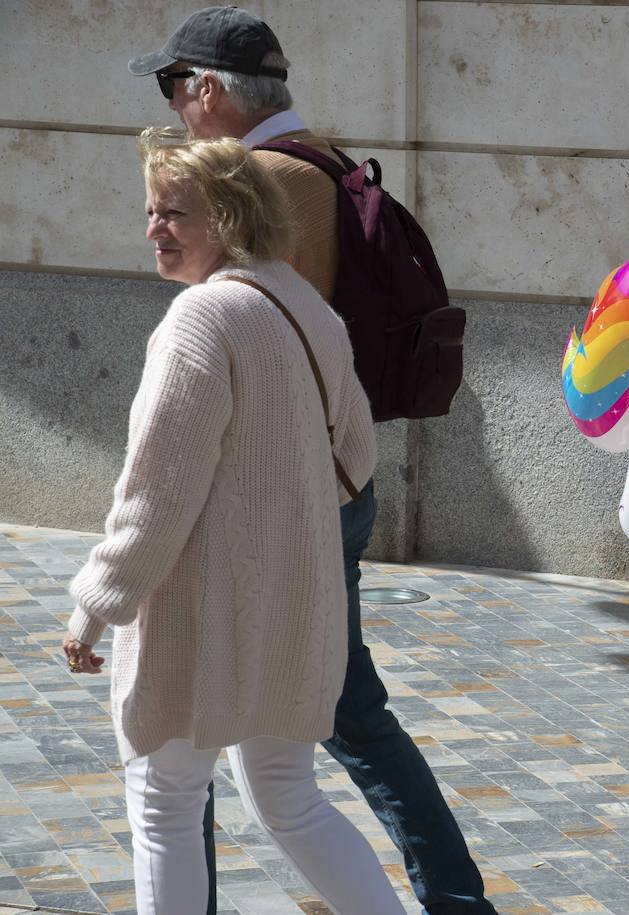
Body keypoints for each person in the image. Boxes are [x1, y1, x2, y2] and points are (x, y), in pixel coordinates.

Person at [128, 8, 494, 913]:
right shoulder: (329, 162)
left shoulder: (263, 182)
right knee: (309, 730)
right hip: (330, 476)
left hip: (278, 496)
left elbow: (228, 343)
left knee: (217, 731)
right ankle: (450, 895)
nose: (176, 112)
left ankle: (452, 898)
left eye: (175, 90)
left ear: (207, 91)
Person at [61, 129, 403, 914]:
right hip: (296, 597)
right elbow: (357, 455)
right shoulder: (310, 306)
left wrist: (94, 607)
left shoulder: (199, 319)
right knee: (291, 796)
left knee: (165, 803)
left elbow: (156, 490)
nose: (152, 227)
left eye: (172, 212)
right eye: (150, 211)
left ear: (227, 216)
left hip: (201, 611)